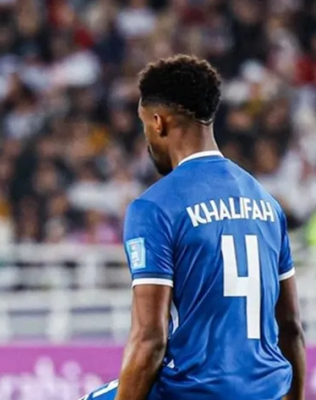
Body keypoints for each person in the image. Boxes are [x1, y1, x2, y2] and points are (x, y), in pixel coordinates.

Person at [80, 55, 306, 400]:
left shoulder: (154, 207)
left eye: (144, 125)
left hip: (196, 391)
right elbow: (290, 327)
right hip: (267, 391)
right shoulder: (267, 204)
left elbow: (150, 340)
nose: (147, 140)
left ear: (158, 122)